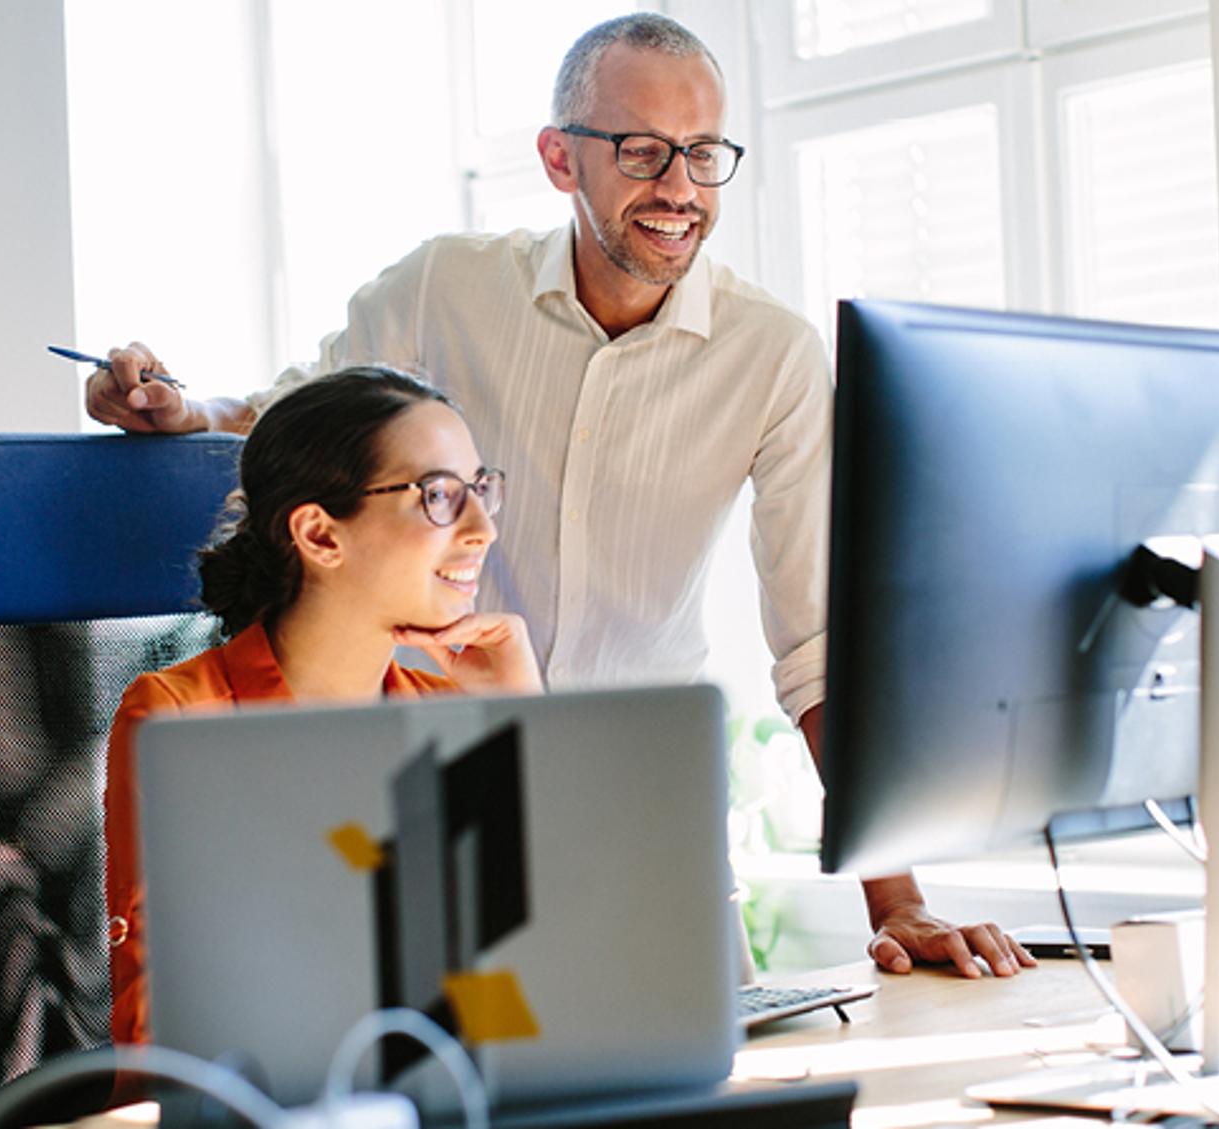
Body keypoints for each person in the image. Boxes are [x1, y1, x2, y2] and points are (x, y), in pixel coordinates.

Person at [86, 14, 1033, 983]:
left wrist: (898, 900)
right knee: (481, 1041)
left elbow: (819, 647)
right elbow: (306, 415)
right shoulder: (442, 288)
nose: (680, 189)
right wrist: (183, 408)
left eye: (704, 155)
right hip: (431, 802)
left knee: (696, 1070)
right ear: (558, 159)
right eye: (643, 151)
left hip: (636, 822)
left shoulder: (773, 355)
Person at [102, 366, 542, 1044]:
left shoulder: (446, 709)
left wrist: (520, 721)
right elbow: (167, 1035)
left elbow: (523, 988)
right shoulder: (183, 719)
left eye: (482, 490)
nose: (483, 527)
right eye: (440, 496)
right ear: (320, 535)